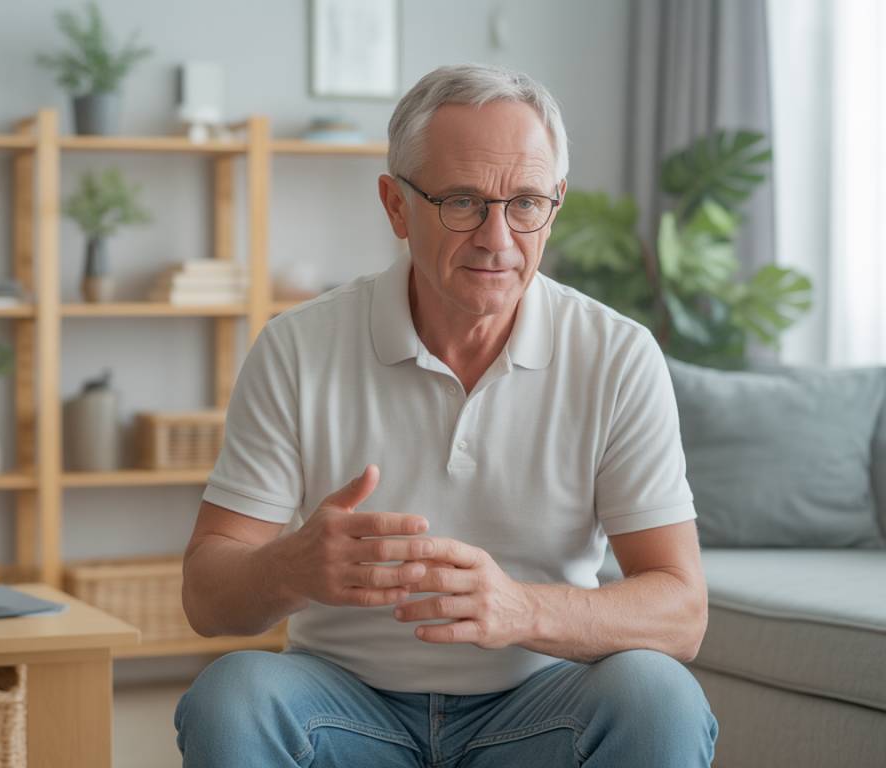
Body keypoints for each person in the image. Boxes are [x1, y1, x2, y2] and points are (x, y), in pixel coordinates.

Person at [175, 63, 718, 767]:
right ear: (395, 205)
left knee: (660, 696)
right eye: (463, 202)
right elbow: (205, 598)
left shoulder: (617, 354)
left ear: (555, 204)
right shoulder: (297, 347)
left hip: (542, 707)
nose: (498, 239)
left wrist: (522, 610)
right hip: (343, 707)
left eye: (526, 203)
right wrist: (291, 567)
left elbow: (681, 612)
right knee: (232, 696)